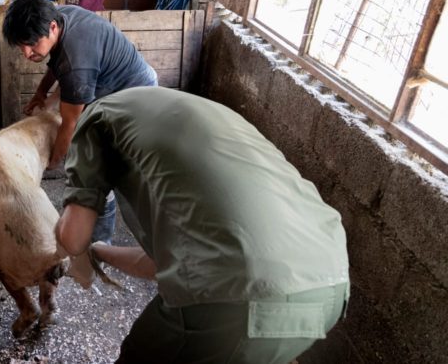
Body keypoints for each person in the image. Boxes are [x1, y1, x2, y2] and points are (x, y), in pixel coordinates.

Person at [55, 86, 351, 364]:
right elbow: (169, 267)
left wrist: (70, 240)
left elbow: (73, 238)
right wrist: (100, 252)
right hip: (329, 287)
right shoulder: (198, 116)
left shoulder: (96, 117)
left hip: (237, 298)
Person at [3, 0, 157, 244]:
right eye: (22, 47)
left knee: (99, 171)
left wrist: (52, 161)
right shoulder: (60, 17)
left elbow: (70, 123)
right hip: (113, 84)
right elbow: (57, 61)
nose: (27, 54)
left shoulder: (76, 61)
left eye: (31, 45)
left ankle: (98, 244)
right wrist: (41, 92)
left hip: (137, 97)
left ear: (52, 28)